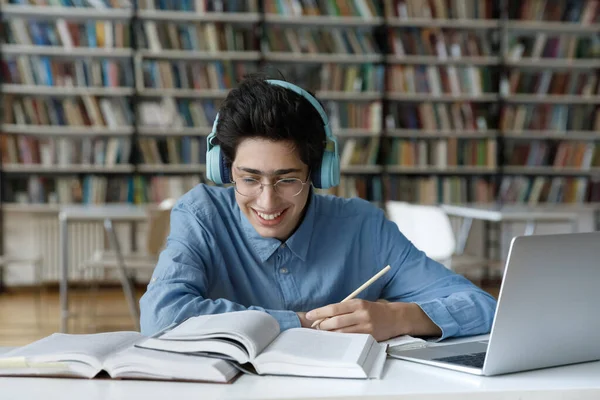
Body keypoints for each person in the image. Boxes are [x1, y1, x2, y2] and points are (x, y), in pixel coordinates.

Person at [139, 75, 497, 341]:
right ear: (223, 169)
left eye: (288, 179)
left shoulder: (362, 226)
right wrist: (302, 322)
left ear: (319, 172)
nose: (267, 201)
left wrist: (400, 318)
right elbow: (162, 317)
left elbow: (484, 307)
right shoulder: (201, 215)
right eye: (248, 179)